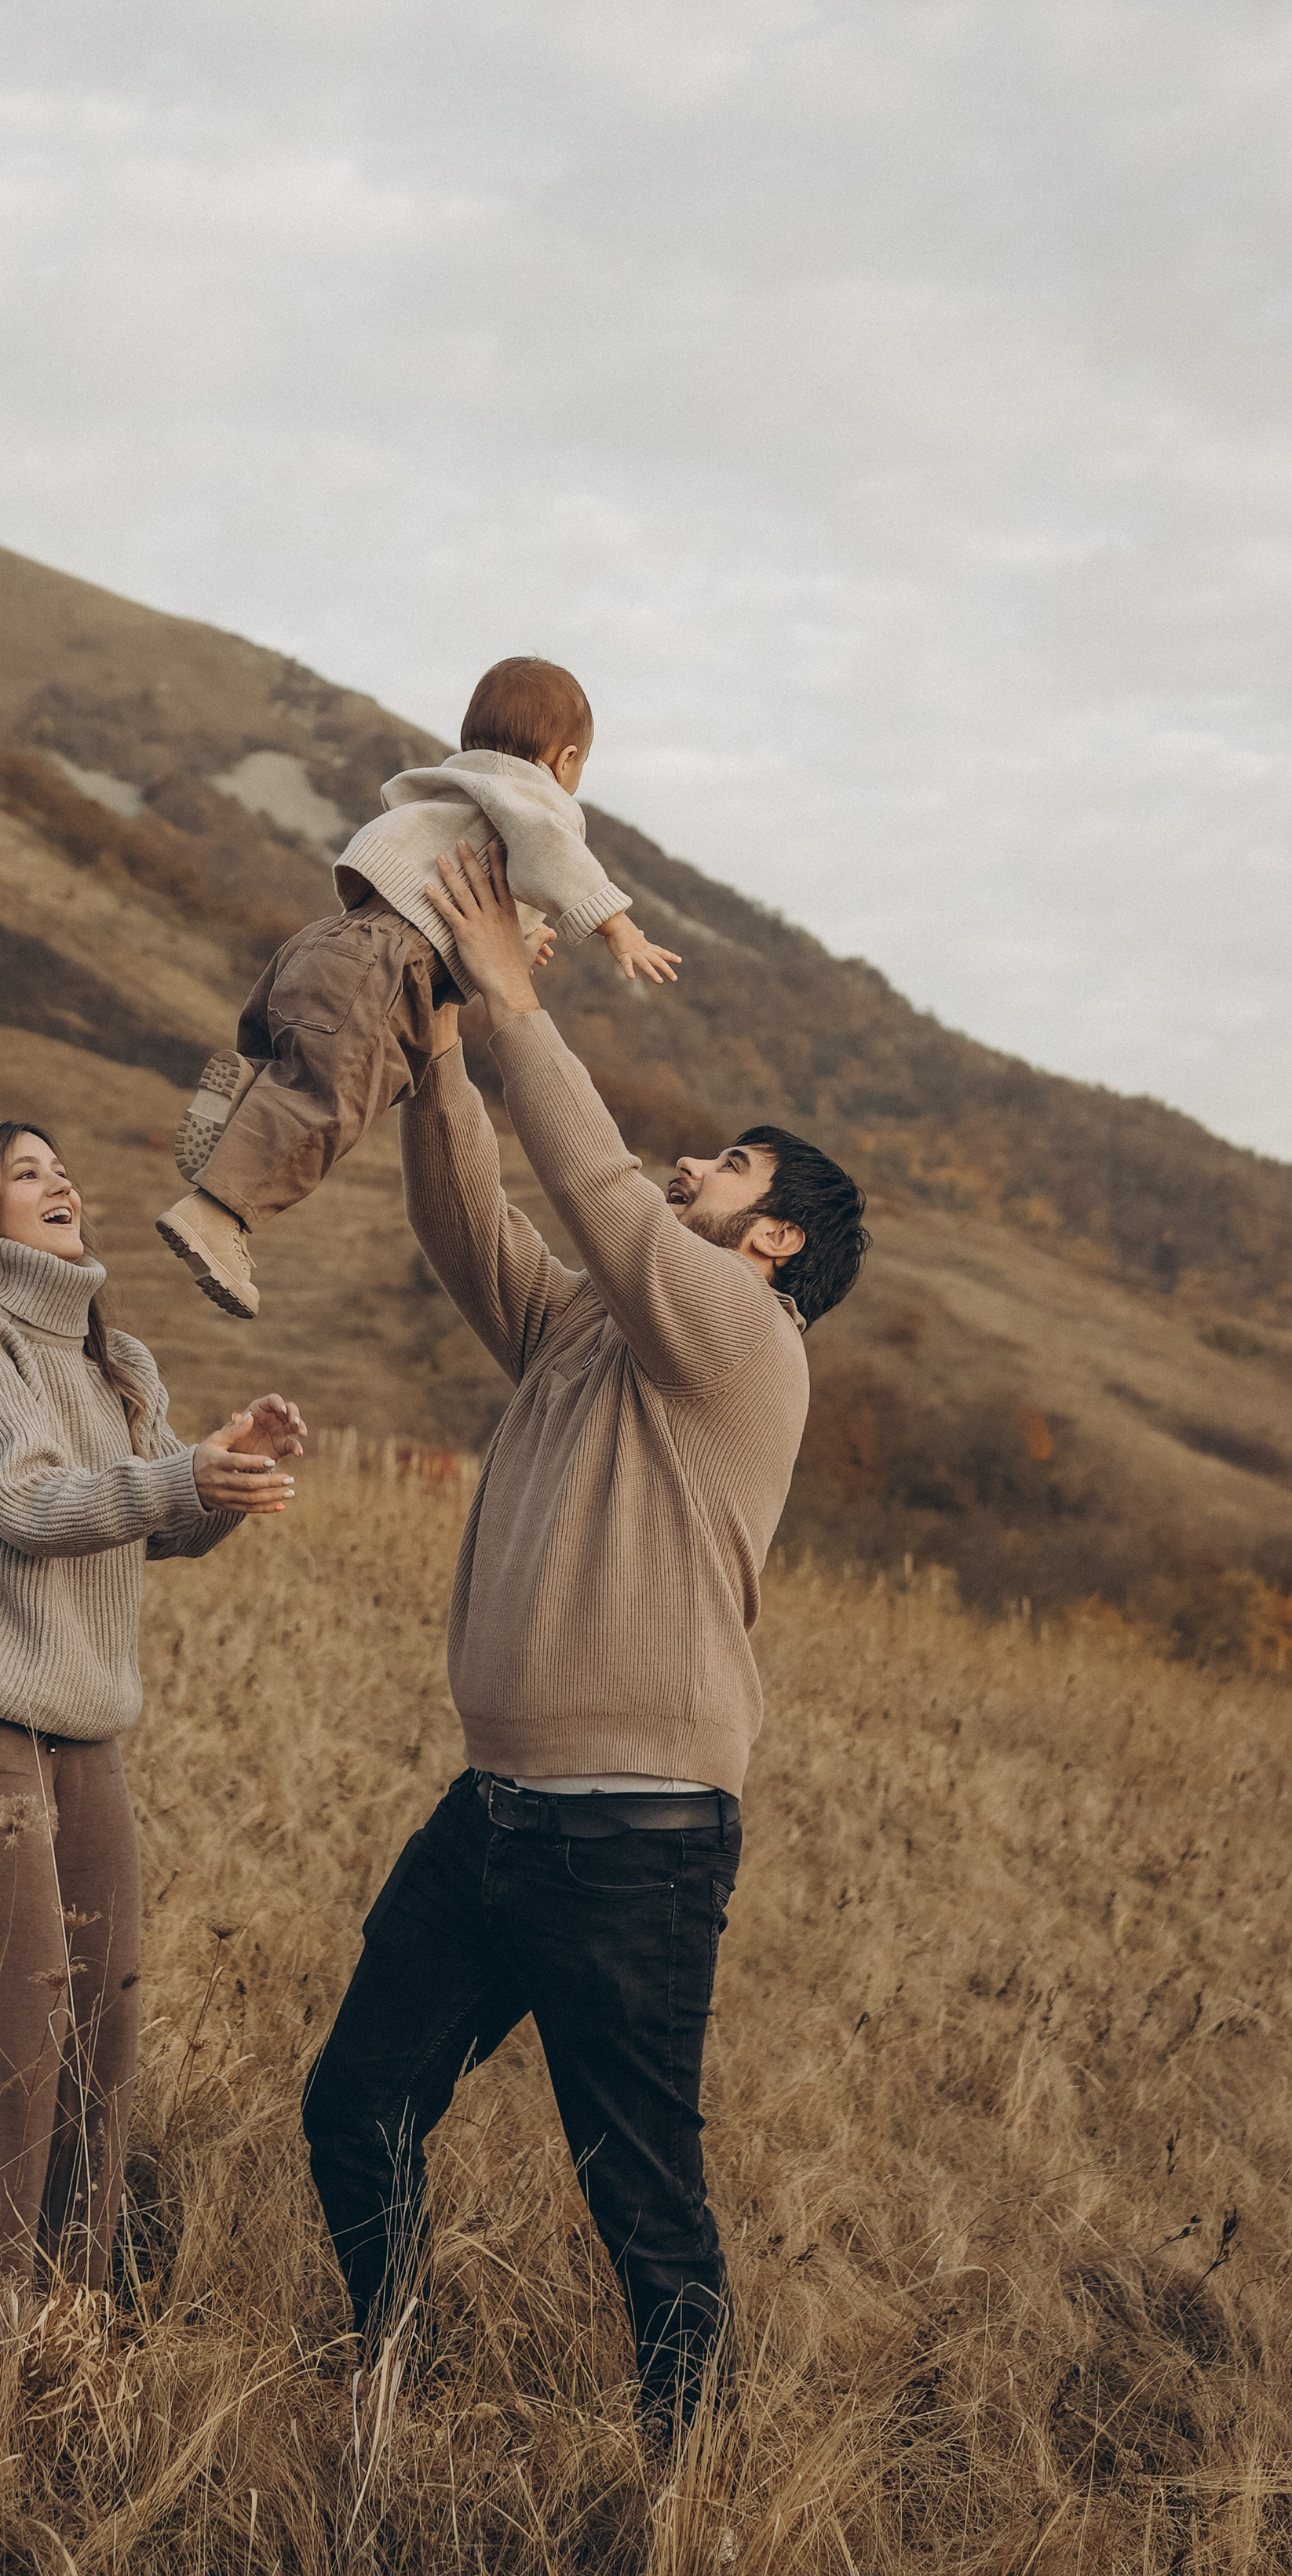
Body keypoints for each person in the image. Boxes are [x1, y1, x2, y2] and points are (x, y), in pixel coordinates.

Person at [301, 838, 868, 2436]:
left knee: (639, 2189)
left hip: (632, 1839)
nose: (695, 1163)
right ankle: (391, 2374)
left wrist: (505, 990)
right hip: (491, 1811)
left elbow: (600, 1196)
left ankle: (688, 2480)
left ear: (771, 1243)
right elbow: (471, 1220)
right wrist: (432, 1052)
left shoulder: (742, 1335)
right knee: (357, 2103)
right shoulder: (584, 1330)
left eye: (731, 1166)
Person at [0, 1117, 304, 2283]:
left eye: (62, 1168)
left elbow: (153, 1523)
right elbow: (28, 1503)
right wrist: (176, 1473)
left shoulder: (119, 1364)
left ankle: (69, 2323)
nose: (60, 1180)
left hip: (83, 1730)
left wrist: (225, 1472)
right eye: (28, 1171)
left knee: (94, 2039)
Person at [154, 656, 681, 1319]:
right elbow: (554, 854)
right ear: (564, 759)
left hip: (322, 946)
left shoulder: (448, 792)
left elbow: (432, 898)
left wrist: (509, 948)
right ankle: (217, 1215)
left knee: (302, 1066)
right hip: (384, 967)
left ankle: (242, 1092)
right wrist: (617, 926)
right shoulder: (535, 797)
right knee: (332, 1100)